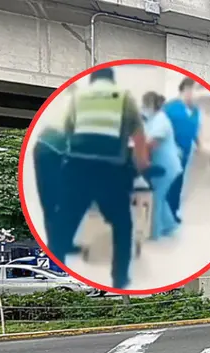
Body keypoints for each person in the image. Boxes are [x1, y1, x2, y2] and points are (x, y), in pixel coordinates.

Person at [61, 67, 149, 290]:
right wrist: (140, 167)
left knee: (73, 211)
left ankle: (66, 247)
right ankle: (120, 276)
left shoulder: (77, 99)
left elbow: (68, 133)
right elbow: (138, 136)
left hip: (80, 166)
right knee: (122, 223)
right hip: (110, 167)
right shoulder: (123, 98)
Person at [140, 92, 183, 240]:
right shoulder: (152, 120)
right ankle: (170, 225)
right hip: (163, 163)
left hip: (167, 166)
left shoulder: (161, 121)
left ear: (151, 105)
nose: (143, 108)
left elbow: (151, 143)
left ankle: (154, 233)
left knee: (156, 197)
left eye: (145, 105)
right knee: (160, 195)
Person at [161, 77, 201, 222]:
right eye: (194, 92)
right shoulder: (170, 108)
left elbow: (195, 131)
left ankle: (172, 212)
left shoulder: (196, 112)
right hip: (168, 154)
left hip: (184, 155)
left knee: (178, 184)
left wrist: (200, 146)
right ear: (185, 90)